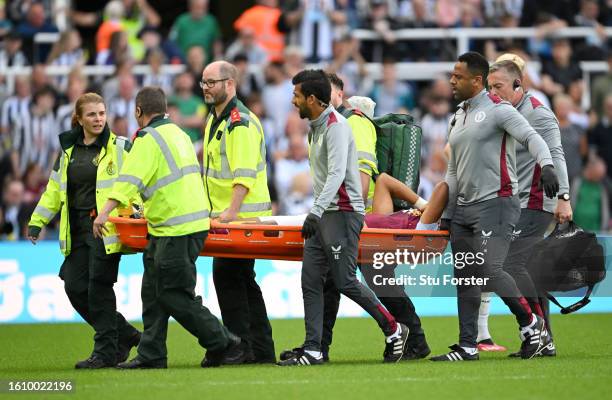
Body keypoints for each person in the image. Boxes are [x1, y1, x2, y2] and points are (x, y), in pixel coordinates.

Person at [93, 87, 245, 369]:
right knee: (152, 289)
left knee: (172, 293)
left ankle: (223, 343)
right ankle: (151, 354)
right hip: (181, 224)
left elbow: (129, 179)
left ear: (138, 111)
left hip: (176, 227)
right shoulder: (179, 133)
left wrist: (104, 213)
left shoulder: (147, 139)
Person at [430, 52, 559, 362]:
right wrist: (447, 214)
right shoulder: (459, 115)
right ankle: (467, 346)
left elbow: (532, 137)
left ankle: (531, 325)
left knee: (491, 269)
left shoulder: (499, 110)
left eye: (458, 76)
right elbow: (453, 171)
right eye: (452, 74)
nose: (451, 81)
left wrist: (548, 166)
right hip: (463, 208)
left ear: (477, 81)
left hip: (497, 203)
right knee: (466, 277)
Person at [278, 69, 408, 366]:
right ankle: (313, 349)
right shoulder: (316, 126)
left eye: (296, 95)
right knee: (310, 280)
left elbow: (337, 174)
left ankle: (393, 328)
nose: (293, 100)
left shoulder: (336, 126)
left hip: (344, 213)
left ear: (312, 99)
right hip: (325, 213)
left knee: (345, 280)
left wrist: (316, 211)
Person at [315, 73, 431, 362]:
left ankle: (412, 338)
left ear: (339, 94)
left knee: (370, 279)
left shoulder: (354, 122)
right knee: (359, 280)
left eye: (326, 91)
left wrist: (355, 215)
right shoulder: (329, 125)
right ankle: (414, 340)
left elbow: (363, 172)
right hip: (349, 215)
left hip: (360, 216)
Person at [27, 93, 141, 369]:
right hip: (76, 228)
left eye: (102, 113)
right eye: (92, 114)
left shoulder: (121, 148)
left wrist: (136, 210)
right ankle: (125, 334)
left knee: (99, 288)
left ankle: (105, 352)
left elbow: (138, 181)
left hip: (106, 227)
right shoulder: (68, 151)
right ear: (79, 118)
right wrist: (37, 221)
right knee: (74, 286)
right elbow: (54, 188)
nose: (99, 119)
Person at [477, 55, 572, 357]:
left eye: (499, 86)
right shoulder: (501, 112)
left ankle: (538, 332)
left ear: (518, 83)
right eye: (490, 87)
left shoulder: (538, 115)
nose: (493, 92)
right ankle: (546, 340)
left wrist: (564, 197)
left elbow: (556, 154)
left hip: (535, 200)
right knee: (522, 268)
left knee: (509, 265)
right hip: (513, 203)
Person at [200, 61, 276, 364]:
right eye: (203, 82)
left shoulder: (238, 122)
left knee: (230, 279)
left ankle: (241, 347)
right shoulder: (217, 118)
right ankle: (259, 349)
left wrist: (230, 213)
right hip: (230, 217)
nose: (205, 88)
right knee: (242, 281)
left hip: (241, 218)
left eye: (211, 82)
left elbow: (243, 174)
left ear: (229, 84)